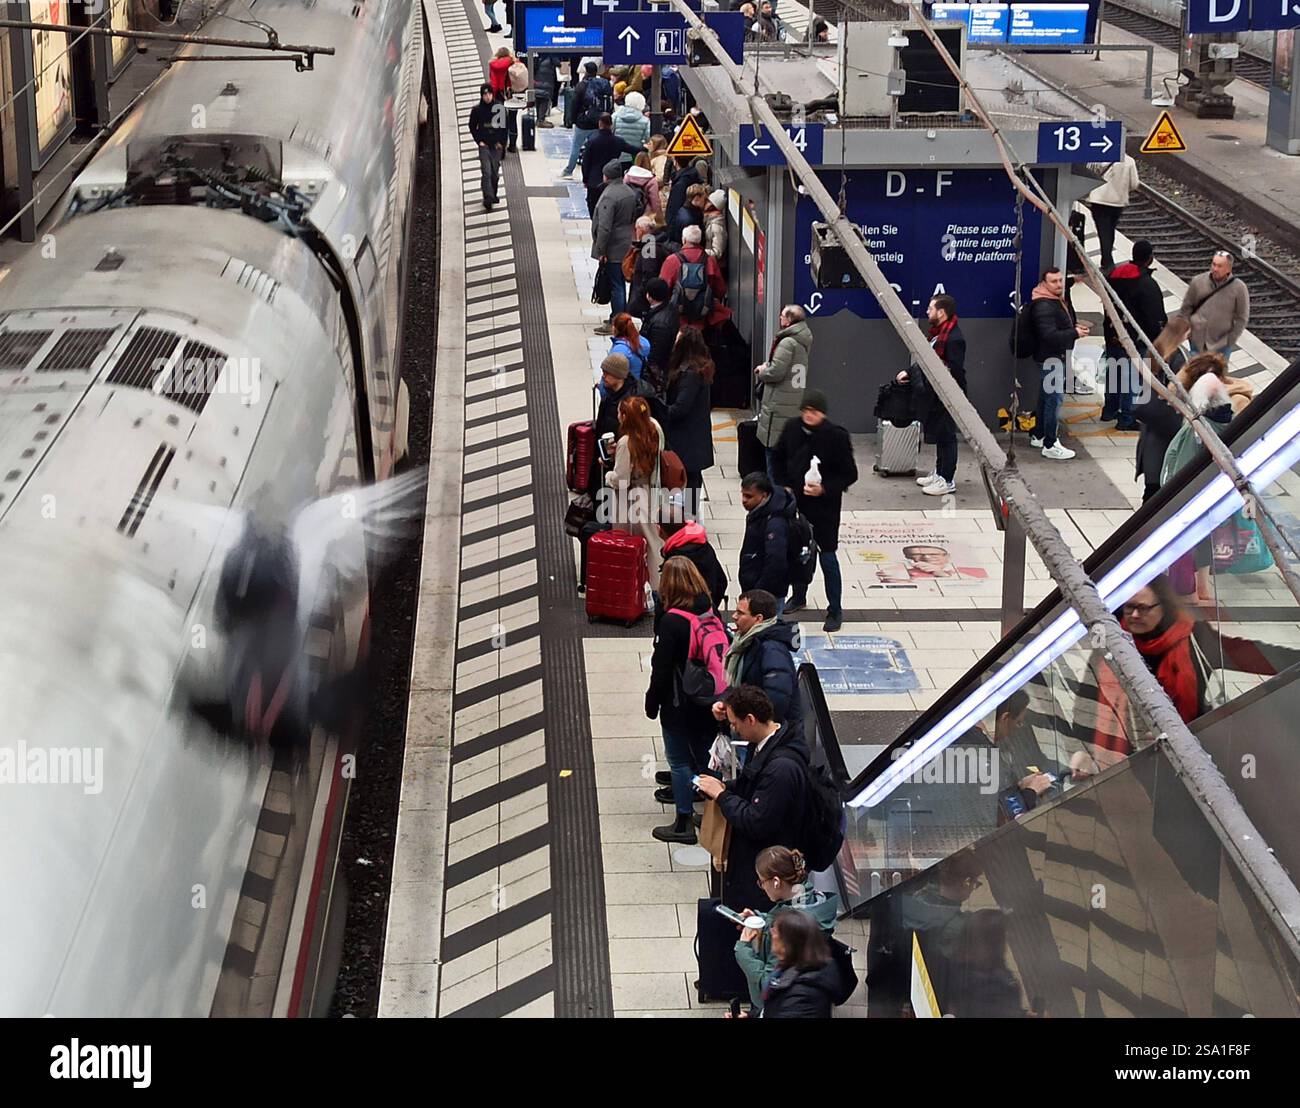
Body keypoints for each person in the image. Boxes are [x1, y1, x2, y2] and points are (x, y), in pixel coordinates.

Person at [1088, 574, 1300, 762]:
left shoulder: (1194, 638)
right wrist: (1083, 752)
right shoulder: (1113, 643)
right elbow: (1089, 693)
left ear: (1164, 607)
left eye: (1142, 608)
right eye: (1129, 607)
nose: (1134, 615)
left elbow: (1247, 653)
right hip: (1129, 757)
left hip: (1187, 749)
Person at [695, 686, 810, 911]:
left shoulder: (781, 769)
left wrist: (722, 795)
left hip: (764, 874)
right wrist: (720, 787)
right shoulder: (767, 742)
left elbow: (757, 822)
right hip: (754, 863)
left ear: (750, 719)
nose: (733, 729)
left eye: (735, 724)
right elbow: (751, 784)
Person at [645, 557, 725, 843]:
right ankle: (711, 806)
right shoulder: (707, 607)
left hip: (679, 701)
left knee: (678, 760)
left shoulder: (673, 621)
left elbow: (662, 669)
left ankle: (682, 822)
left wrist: (652, 702)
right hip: (709, 697)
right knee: (705, 753)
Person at [771, 389, 857, 632]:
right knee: (798, 554)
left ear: (823, 414)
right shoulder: (791, 428)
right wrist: (783, 484)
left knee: (827, 558)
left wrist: (824, 489)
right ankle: (799, 595)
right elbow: (776, 457)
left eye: (814, 412)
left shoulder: (836, 436)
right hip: (796, 504)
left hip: (825, 509)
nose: (809, 415)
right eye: (806, 411)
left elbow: (850, 474)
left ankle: (835, 609)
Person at [733, 847, 839, 1016]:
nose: (762, 887)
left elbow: (765, 988)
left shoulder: (790, 934)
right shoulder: (808, 903)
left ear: (776, 881)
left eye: (761, 881)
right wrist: (761, 919)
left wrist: (743, 949)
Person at [898, 294, 966, 496]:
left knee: (947, 436)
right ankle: (939, 472)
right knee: (939, 434)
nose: (928, 312)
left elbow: (954, 369)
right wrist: (909, 372)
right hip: (935, 394)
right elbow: (926, 358)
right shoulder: (939, 334)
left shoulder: (954, 338)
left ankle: (947, 479)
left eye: (931, 308)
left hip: (947, 394)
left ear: (941, 312)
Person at [1100, 239, 1166, 429]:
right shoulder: (1146, 283)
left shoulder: (1114, 275)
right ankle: (1126, 417)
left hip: (1112, 332)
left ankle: (1109, 410)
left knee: (1113, 371)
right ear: (1150, 259)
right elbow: (1155, 316)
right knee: (1131, 377)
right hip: (1134, 338)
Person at [714, 589, 801, 727]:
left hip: (763, 733)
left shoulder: (772, 651)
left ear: (758, 619)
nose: (734, 616)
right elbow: (742, 685)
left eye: (741, 613)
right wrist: (725, 702)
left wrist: (746, 721)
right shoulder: (749, 641)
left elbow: (777, 700)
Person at [603, 395, 665, 588]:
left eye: (620, 412)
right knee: (653, 539)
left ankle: (637, 588)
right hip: (649, 490)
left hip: (629, 499)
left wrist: (608, 475)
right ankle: (658, 584)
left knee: (628, 542)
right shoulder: (653, 430)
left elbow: (621, 481)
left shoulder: (625, 443)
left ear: (624, 417)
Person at [1029, 267, 1089, 461]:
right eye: (1054, 282)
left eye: (1060, 281)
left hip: (1051, 357)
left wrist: (1072, 328)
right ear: (1044, 283)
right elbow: (1049, 335)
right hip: (1051, 358)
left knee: (1045, 397)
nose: (1059, 285)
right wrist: (1074, 333)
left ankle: (1038, 434)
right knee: (1054, 400)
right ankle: (1050, 444)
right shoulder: (1044, 306)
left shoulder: (1052, 300)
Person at [755, 305, 813, 478]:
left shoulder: (788, 342)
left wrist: (763, 370)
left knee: (773, 455)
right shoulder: (803, 339)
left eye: (782, 316)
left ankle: (777, 497)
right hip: (792, 399)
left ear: (789, 319)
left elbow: (776, 372)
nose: (780, 319)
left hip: (778, 402)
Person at [664, 328, 715, 514]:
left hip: (685, 437)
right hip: (696, 433)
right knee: (693, 477)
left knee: (687, 477)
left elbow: (680, 408)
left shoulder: (689, 374)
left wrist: (662, 411)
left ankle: (687, 517)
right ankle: (690, 515)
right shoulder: (701, 367)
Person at [591, 159, 641, 336]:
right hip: (626, 242)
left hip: (613, 247)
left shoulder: (609, 196)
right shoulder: (628, 191)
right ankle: (619, 317)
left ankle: (618, 322)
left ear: (606, 176)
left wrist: (601, 250)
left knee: (616, 285)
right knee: (620, 283)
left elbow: (604, 226)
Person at [1175, 250, 1250, 357]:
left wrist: (1230, 340)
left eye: (1220, 266)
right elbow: (1186, 308)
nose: (1215, 269)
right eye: (1213, 264)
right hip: (1197, 342)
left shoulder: (1239, 288)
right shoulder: (1198, 281)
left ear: (1228, 268)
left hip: (1221, 346)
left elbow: (1242, 317)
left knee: (1216, 374)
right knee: (1195, 372)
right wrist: (1187, 332)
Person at [658, 505, 728, 611]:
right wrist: (710, 608)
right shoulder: (703, 543)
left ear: (660, 530)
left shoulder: (675, 561)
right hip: (707, 611)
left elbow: (669, 598)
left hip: (683, 618)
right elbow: (722, 581)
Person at [659, 225, 729, 332]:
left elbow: (662, 289)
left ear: (684, 240)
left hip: (678, 318)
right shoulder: (709, 260)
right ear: (700, 240)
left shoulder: (672, 260)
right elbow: (720, 290)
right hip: (703, 317)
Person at [1084, 153, 1140, 271]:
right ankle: (1107, 260)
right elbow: (1135, 184)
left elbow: (1087, 172)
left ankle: (1107, 262)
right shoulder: (1129, 161)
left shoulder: (1099, 156)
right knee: (1110, 230)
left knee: (1103, 232)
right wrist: (1122, 189)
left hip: (1099, 200)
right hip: (1118, 202)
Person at [581, 117, 642, 219]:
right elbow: (634, 150)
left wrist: (585, 179)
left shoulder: (592, 141)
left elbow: (586, 162)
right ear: (611, 125)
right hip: (613, 179)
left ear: (600, 124)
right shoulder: (618, 141)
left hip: (594, 180)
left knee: (593, 207)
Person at [564, 62, 614, 179]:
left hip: (583, 122)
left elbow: (574, 104)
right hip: (599, 122)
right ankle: (597, 171)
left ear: (586, 71)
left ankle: (568, 171)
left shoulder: (582, 85)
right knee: (596, 148)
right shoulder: (604, 83)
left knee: (576, 147)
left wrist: (572, 119)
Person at [593, 353, 656, 443]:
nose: (603, 376)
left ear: (618, 376)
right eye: (603, 372)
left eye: (607, 373)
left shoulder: (631, 402)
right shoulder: (609, 395)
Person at [467, 84, 507, 210]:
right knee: (486, 171)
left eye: (489, 94)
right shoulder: (477, 110)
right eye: (485, 95)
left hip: (496, 146)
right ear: (481, 96)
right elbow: (472, 126)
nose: (487, 97)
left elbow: (504, 127)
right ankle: (488, 197)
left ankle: (492, 194)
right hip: (484, 145)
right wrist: (479, 141)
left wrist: (502, 143)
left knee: (494, 172)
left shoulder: (499, 108)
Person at [639, 277, 680, 391]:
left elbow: (656, 356)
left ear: (649, 296)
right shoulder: (668, 309)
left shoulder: (660, 324)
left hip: (656, 376)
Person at [876, 544, 988, 582]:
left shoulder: (972, 571)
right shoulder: (902, 572)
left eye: (934, 554)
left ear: (947, 556)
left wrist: (941, 573)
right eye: (917, 555)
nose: (927, 557)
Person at [664, 156, 708, 228]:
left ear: (675, 162)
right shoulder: (692, 176)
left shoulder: (680, 185)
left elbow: (674, 210)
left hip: (681, 229)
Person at [608, 312, 650, 385]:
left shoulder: (619, 351)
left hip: (624, 389)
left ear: (615, 328)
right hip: (638, 384)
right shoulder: (643, 342)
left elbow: (611, 375)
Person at [612, 90, 651, 164]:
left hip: (617, 156)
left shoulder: (615, 117)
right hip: (635, 157)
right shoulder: (645, 121)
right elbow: (648, 139)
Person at [626, 153, 663, 224]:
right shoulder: (651, 180)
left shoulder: (627, 176)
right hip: (645, 214)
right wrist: (659, 220)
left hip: (629, 210)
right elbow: (655, 201)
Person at [532, 53, 558, 127]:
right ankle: (541, 120)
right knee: (545, 101)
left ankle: (538, 119)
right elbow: (558, 63)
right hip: (546, 82)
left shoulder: (536, 56)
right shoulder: (550, 56)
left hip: (537, 81)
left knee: (538, 100)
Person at [703, 189, 728, 264]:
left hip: (712, 265)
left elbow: (717, 252)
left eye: (708, 201)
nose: (705, 203)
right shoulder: (709, 219)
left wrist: (698, 252)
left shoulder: (716, 226)